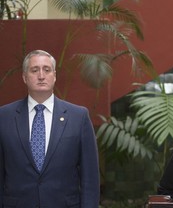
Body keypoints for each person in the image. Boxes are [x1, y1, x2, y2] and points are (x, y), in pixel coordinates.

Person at [0, 50, 100, 207]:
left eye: (46, 70)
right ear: (24, 77)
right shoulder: (4, 117)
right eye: (34, 70)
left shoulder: (78, 117)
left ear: (54, 75)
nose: (41, 76)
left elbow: (90, 178)